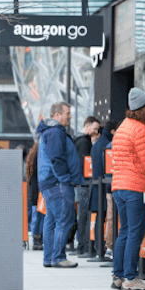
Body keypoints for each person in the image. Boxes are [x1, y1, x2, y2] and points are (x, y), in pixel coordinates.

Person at [111, 88, 145, 290]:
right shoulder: (142, 130)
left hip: (119, 187)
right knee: (135, 232)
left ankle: (118, 275)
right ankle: (131, 278)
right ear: (141, 108)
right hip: (136, 187)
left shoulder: (123, 128)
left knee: (124, 231)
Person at [37, 102, 84, 268]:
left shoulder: (49, 132)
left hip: (50, 182)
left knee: (51, 220)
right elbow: (57, 158)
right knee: (65, 219)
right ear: (57, 115)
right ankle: (58, 257)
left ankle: (49, 258)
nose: (70, 116)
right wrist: (65, 179)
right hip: (58, 183)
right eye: (67, 113)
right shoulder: (55, 132)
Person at [74, 116, 100, 257]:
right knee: (85, 214)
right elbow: (86, 162)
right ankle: (83, 246)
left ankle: (82, 245)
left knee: (82, 214)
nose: (96, 132)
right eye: (95, 128)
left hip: (81, 182)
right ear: (87, 126)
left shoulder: (79, 140)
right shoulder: (84, 142)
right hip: (85, 182)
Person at [91, 120, 119, 252]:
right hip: (106, 186)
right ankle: (106, 247)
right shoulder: (108, 145)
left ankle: (98, 247)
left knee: (100, 217)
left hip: (97, 185)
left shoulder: (97, 145)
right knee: (109, 217)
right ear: (113, 131)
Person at [26, 143, 43, 250]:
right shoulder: (39, 157)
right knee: (39, 216)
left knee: (36, 216)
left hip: (34, 191)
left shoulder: (32, 157)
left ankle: (36, 240)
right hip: (39, 191)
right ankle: (38, 239)